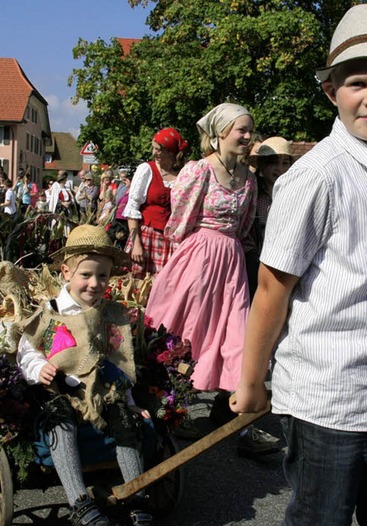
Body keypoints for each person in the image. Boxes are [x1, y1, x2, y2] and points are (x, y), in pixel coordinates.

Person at [232, 4, 367, 524]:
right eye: (358, 82)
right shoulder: (316, 177)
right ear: (331, 91)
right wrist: (252, 378)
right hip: (329, 400)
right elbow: (273, 286)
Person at [145, 104, 281, 456]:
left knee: (235, 336)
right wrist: (183, 266)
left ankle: (239, 423)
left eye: (251, 130)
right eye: (242, 130)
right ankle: (169, 408)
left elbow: (247, 227)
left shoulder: (249, 179)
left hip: (232, 262)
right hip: (198, 258)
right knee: (183, 333)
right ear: (220, 133)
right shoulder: (199, 170)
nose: (248, 137)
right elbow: (179, 223)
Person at [16, 225, 153, 526]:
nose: (94, 283)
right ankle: (79, 501)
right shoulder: (51, 311)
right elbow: (27, 351)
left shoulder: (110, 314)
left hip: (101, 392)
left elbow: (119, 363)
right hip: (61, 391)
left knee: (124, 421)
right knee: (60, 421)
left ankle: (136, 493)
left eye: (102, 276)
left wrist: (128, 400)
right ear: (66, 272)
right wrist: (40, 367)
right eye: (85, 275)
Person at [123, 128, 189, 278]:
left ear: (171, 152)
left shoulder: (184, 174)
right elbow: (132, 208)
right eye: (154, 148)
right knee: (139, 289)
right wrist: (136, 243)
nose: (155, 153)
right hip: (146, 238)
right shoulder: (146, 170)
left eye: (160, 150)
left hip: (172, 242)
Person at [243, 136, 294, 299]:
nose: (279, 168)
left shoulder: (294, 193)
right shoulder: (253, 192)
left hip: (284, 263)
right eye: (273, 163)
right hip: (255, 261)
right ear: (262, 166)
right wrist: (252, 259)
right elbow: (245, 230)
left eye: (285, 163)